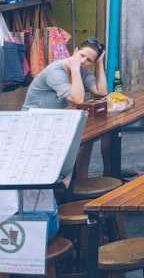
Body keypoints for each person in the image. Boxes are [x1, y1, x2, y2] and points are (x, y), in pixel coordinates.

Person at [23, 38, 108, 181]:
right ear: (75, 51)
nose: (83, 62)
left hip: (55, 120)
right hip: (33, 122)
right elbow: (78, 99)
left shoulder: (82, 71)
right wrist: (75, 69)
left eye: (89, 60)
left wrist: (99, 63)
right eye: (81, 55)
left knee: (87, 139)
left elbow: (101, 91)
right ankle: (64, 187)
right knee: (81, 138)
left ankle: (81, 181)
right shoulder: (56, 71)